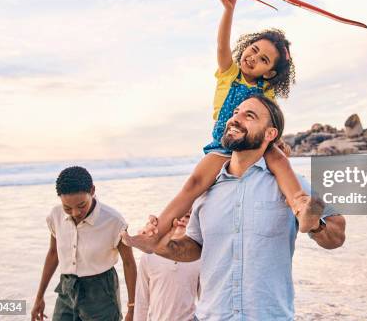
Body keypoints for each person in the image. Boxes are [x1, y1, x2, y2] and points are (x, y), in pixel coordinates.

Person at [125, 0, 320, 255]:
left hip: (256, 142)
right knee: (195, 183)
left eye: (263, 59)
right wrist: (228, 9)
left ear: (270, 72)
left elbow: (271, 119)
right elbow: (221, 45)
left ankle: (301, 207)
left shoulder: (267, 92)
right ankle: (156, 235)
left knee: (279, 162)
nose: (253, 58)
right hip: (223, 142)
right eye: (252, 50)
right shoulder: (229, 73)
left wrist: (279, 142)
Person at [126, 94, 346, 320]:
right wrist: (162, 245)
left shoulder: (291, 185)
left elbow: (337, 235)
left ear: (270, 134)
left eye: (249, 115)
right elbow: (196, 247)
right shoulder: (206, 190)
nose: (235, 119)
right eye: (235, 113)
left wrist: (316, 227)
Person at [31, 166, 137, 321]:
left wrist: (132, 308)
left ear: (92, 191)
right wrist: (39, 297)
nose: (75, 213)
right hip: (66, 289)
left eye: (81, 205)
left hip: (101, 292)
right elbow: (53, 253)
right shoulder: (55, 215)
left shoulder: (114, 221)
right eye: (67, 208)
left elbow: (129, 263)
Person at [134, 211, 200, 321]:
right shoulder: (150, 255)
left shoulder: (198, 256)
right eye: (180, 214)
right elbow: (141, 298)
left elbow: (205, 298)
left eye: (188, 216)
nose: (182, 219)